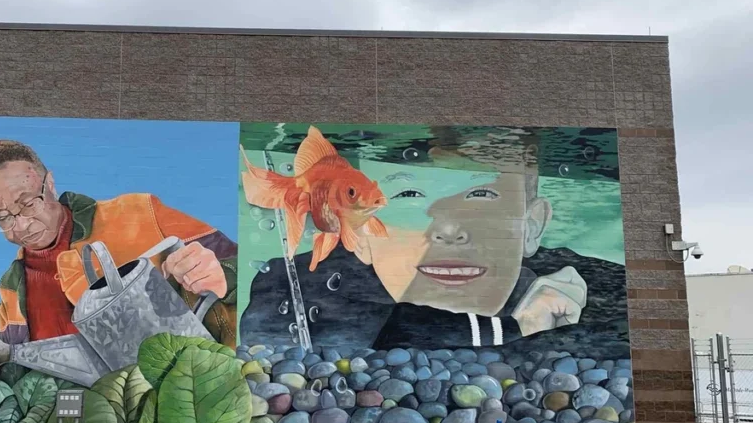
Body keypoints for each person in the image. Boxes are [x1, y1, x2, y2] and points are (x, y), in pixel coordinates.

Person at [240, 140, 626, 356]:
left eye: (481, 195)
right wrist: (518, 330)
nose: (449, 230)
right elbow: (393, 336)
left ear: (532, 226)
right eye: (409, 195)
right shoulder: (288, 288)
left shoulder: (597, 286)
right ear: (357, 230)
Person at [0, 139, 238, 348]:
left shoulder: (139, 212)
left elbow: (244, 263)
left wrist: (222, 275)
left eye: (28, 203)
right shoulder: (10, 289)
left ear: (50, 184)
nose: (21, 226)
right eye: (2, 217)